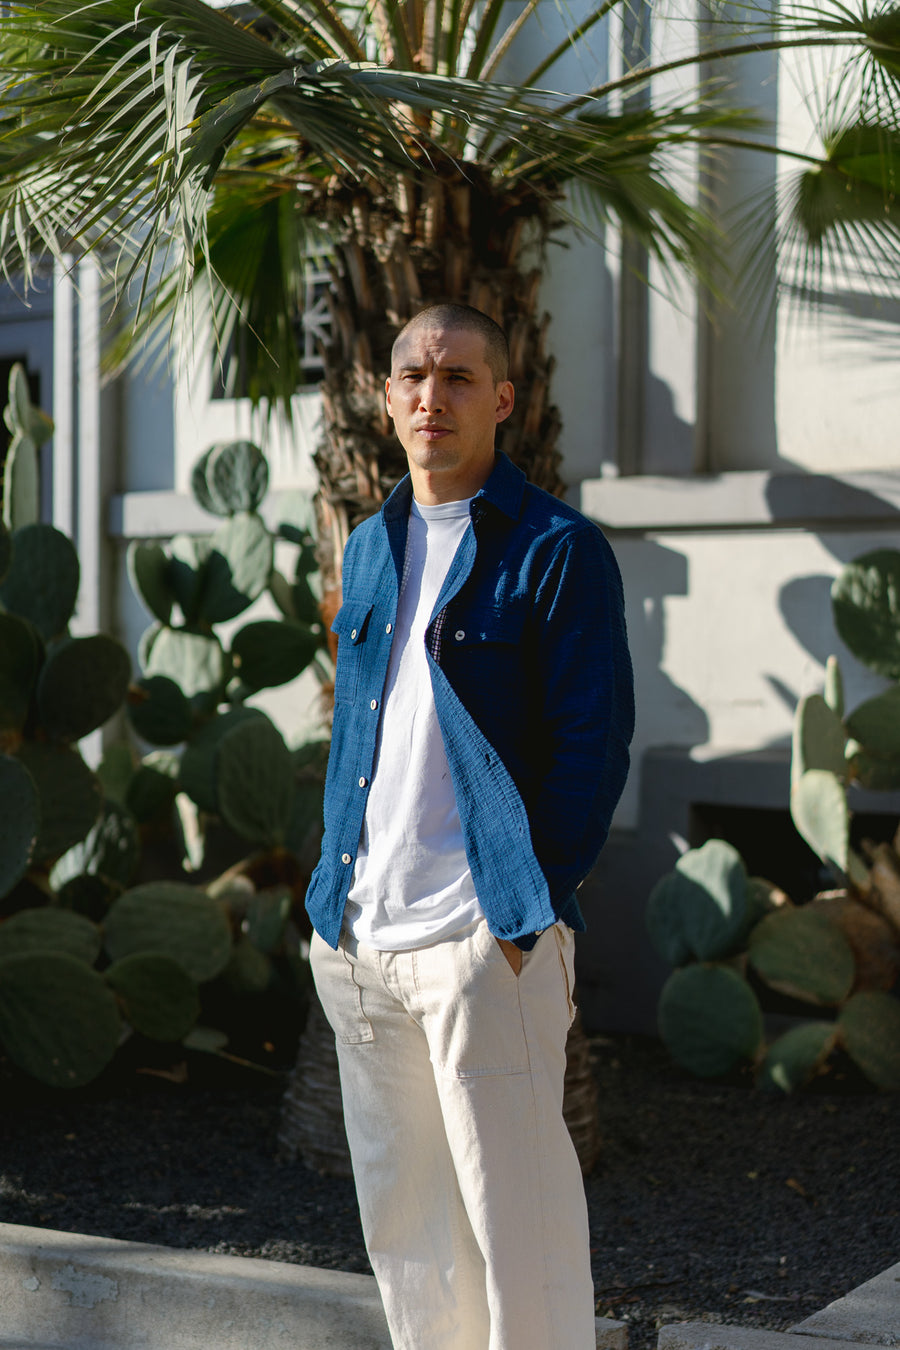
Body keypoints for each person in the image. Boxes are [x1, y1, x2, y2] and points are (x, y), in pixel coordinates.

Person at [306, 302, 634, 1350]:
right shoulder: (369, 549)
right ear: (385, 395)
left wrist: (517, 920)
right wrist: (332, 914)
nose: (430, 396)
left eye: (457, 378)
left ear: (504, 398)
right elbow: (361, 731)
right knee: (410, 1242)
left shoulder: (557, 551)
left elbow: (592, 751)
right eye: (412, 375)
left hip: (480, 943)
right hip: (363, 942)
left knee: (520, 1239)